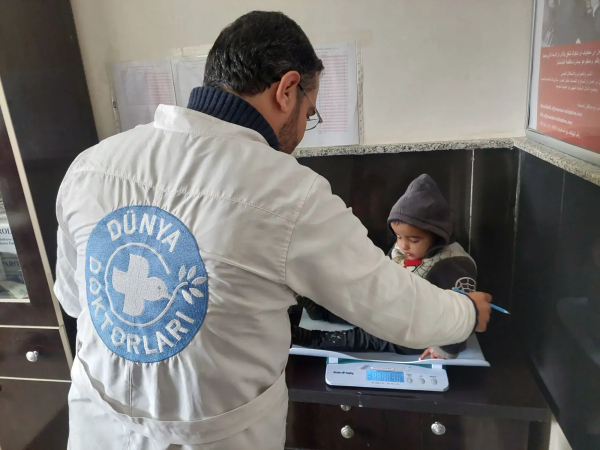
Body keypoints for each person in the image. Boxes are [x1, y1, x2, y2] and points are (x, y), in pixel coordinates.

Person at [54, 11, 492, 450]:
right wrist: (465, 312)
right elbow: (399, 308)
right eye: (310, 113)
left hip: (97, 431)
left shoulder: (92, 164)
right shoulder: (287, 191)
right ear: (287, 89)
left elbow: (74, 299)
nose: (303, 129)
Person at [292, 174, 478, 360]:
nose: (404, 246)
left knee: (372, 338)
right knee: (353, 309)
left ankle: (313, 339)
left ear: (437, 236)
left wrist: (445, 348)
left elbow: (463, 315)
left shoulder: (454, 264)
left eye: (414, 240)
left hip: (417, 330)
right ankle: (319, 309)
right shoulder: (404, 248)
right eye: (398, 236)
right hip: (393, 309)